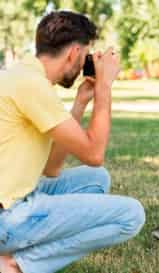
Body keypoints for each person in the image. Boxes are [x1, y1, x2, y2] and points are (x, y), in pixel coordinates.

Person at [0, 11, 145, 273]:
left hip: (14, 198)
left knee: (96, 178)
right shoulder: (33, 86)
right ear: (73, 53)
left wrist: (80, 103)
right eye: (84, 57)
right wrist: (104, 89)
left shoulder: (25, 76)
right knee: (131, 215)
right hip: (7, 216)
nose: (82, 66)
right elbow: (94, 152)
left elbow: (52, 169)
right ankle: (16, 265)